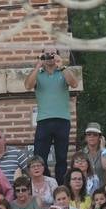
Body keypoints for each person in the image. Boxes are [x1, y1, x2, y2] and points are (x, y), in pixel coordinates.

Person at [24, 46, 78, 182]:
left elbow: (74, 83)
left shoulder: (63, 72)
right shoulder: (39, 74)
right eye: (46, 54)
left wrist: (63, 66)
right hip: (44, 120)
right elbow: (28, 85)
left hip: (62, 120)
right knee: (40, 156)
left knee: (61, 156)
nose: (49, 57)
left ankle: (61, 185)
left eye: (52, 54)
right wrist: (37, 66)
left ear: (57, 56)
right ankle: (47, 182)